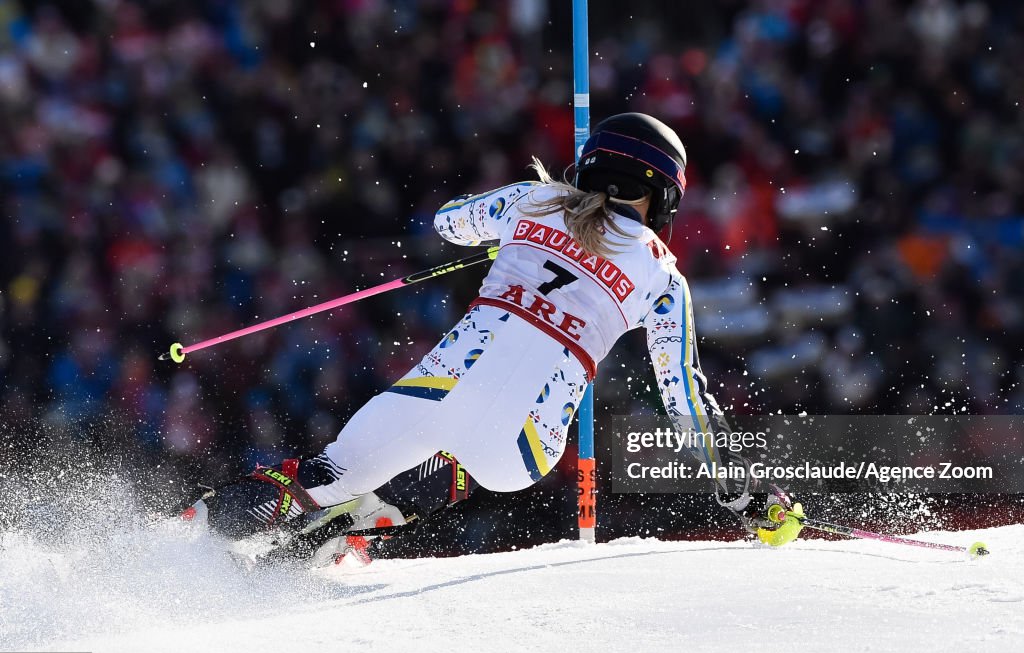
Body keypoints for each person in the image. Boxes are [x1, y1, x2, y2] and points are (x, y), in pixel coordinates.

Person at [185, 113, 803, 565]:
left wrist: (506, 231)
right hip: (523, 448)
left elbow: (449, 223)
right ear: (666, 195)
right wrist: (740, 493)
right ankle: (351, 533)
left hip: (435, 390)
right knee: (459, 464)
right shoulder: (664, 277)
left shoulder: (535, 199)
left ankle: (184, 538)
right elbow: (685, 400)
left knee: (327, 471)